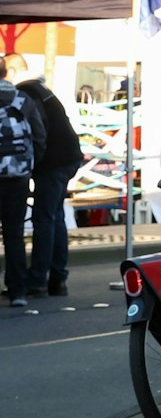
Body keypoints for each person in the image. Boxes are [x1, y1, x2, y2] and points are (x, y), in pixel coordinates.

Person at [15, 77, 78, 298]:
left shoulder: (24, 94)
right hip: (68, 157)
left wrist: (33, 165)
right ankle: (58, 279)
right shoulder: (38, 90)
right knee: (55, 217)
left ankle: (38, 281)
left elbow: (38, 132)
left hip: (52, 161)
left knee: (44, 219)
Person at [0, 63, 48, 308]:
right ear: (5, 72)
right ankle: (17, 290)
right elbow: (38, 136)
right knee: (14, 234)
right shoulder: (23, 99)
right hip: (17, 176)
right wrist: (29, 165)